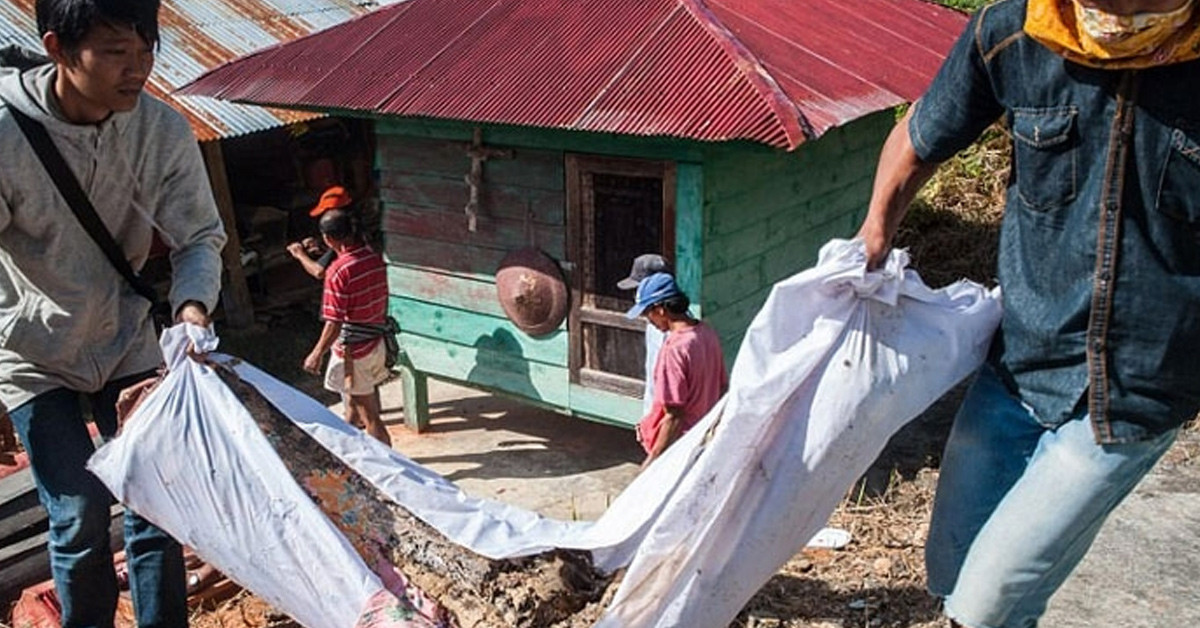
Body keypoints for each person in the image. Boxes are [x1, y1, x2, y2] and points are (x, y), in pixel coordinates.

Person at [854, 1, 1200, 626]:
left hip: (1136, 394)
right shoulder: (1017, 32)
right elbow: (919, 136)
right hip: (1019, 369)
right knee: (950, 571)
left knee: (986, 604)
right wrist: (873, 235)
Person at [0, 0, 228, 624]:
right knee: (78, 514)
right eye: (116, 53)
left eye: (146, 51)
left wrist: (192, 310)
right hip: (31, 347)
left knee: (154, 505)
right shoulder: (6, 135)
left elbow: (199, 237)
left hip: (127, 336)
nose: (138, 70)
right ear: (57, 48)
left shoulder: (161, 131)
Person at [303, 206, 393, 446]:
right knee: (351, 410)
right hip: (376, 344)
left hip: (354, 355)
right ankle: (350, 456)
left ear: (327, 238)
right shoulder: (374, 257)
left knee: (370, 418)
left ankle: (391, 463)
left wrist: (317, 353)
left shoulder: (338, 271)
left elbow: (334, 322)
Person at [626, 273, 727, 468]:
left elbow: (674, 415)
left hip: (678, 448)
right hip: (702, 439)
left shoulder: (675, 349)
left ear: (661, 309)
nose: (648, 321)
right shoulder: (707, 333)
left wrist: (652, 461)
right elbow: (722, 387)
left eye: (647, 314)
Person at [617, 253, 672, 413]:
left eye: (639, 290)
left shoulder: (677, 332)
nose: (635, 296)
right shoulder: (653, 324)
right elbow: (652, 377)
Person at [286, 185, 352, 280]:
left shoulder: (343, 238)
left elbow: (319, 272)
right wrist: (321, 244)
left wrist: (299, 254)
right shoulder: (353, 229)